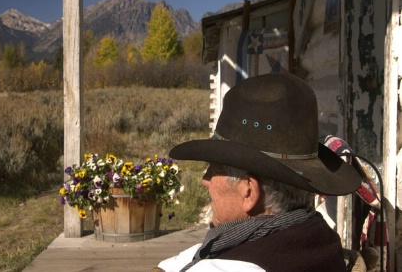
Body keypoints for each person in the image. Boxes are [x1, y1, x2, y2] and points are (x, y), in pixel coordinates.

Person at [155, 72, 363, 272]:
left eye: (213, 169)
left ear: (249, 191)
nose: (205, 180)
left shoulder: (240, 265)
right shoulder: (317, 237)